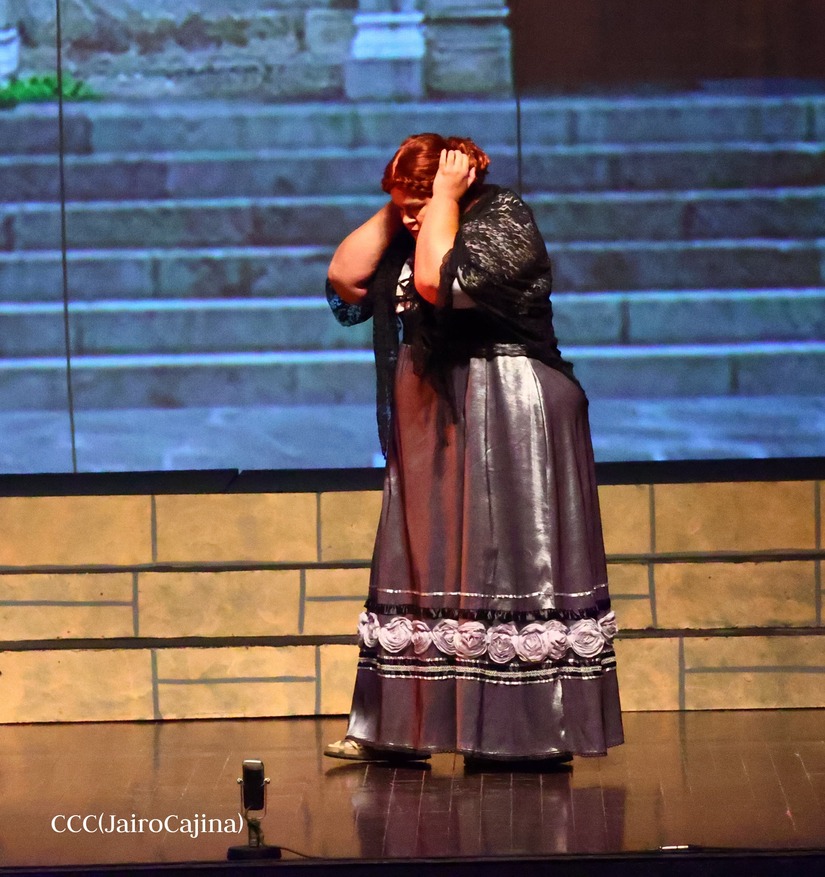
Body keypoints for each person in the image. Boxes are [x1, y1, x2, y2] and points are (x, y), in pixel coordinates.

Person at [323, 133, 623, 765]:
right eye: (401, 206)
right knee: (424, 553)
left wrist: (441, 202)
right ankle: (402, 728)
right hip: (439, 406)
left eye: (417, 205)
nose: (409, 218)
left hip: (509, 398)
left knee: (505, 557)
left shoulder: (501, 218)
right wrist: (404, 206)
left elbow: (436, 283)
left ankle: (523, 733)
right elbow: (345, 280)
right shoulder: (415, 226)